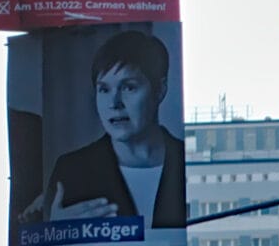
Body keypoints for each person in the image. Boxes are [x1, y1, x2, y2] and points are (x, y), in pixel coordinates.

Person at [40, 29, 186, 232]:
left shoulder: (186, 162)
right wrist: (55, 233)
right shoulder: (72, 170)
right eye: (104, 90)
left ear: (160, 90)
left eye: (129, 87)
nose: (114, 103)